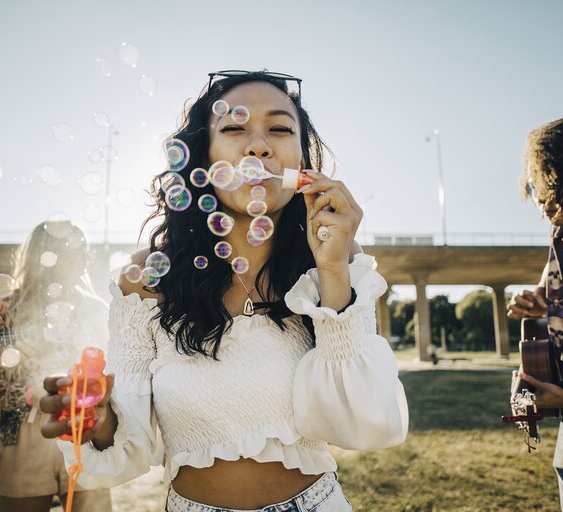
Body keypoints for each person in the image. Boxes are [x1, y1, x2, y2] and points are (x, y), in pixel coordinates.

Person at [41, 70, 409, 511]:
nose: (258, 146)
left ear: (301, 162)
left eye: (279, 129)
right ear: (203, 157)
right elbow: (128, 444)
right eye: (234, 128)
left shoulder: (334, 265)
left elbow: (361, 420)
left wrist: (331, 270)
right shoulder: (146, 280)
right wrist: (96, 420)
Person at [0, 221, 112, 512]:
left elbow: (118, 374)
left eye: (83, 249)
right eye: (71, 249)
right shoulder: (4, 309)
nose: (81, 257)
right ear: (44, 255)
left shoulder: (97, 309)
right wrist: (30, 394)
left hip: (85, 433)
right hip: (21, 435)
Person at [508, 113, 563, 512]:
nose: (539, 195)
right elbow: (545, 302)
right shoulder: (560, 241)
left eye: (547, 177)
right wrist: (531, 305)